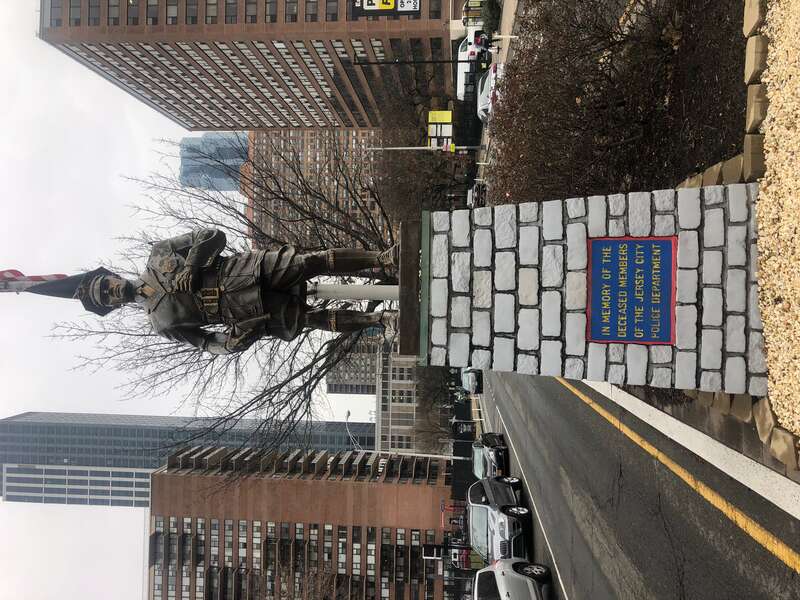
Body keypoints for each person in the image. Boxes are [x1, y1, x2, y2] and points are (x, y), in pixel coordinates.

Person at [27, 228, 397, 354]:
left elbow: (212, 236)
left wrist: (191, 265)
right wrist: (232, 344)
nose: (110, 292)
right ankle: (381, 320)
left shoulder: (159, 254)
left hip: (240, 270)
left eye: (103, 285)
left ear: (109, 275)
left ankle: (383, 260)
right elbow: (206, 343)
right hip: (243, 312)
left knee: (307, 263)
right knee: (310, 319)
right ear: (112, 307)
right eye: (105, 298)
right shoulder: (161, 324)